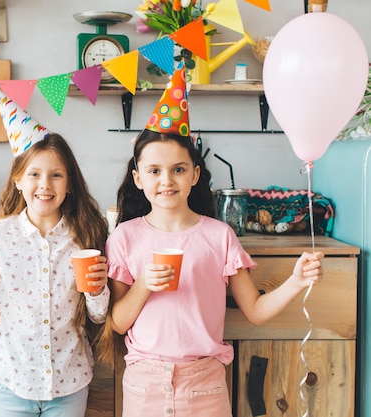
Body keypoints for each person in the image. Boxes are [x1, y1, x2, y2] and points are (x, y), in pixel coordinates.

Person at [102, 68, 324, 417]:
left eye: (178, 169)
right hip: (144, 383)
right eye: (154, 171)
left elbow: (255, 312)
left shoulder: (219, 236)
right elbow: (116, 321)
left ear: (194, 175)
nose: (166, 180)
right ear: (138, 178)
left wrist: (297, 280)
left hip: (205, 385)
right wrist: (144, 284)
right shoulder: (125, 237)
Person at [0, 87, 110, 417]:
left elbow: (98, 316)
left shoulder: (85, 235)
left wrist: (98, 289)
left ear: (69, 184)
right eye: (34, 174)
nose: (45, 185)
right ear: (18, 180)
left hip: (69, 381)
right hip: (11, 380)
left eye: (56, 175)